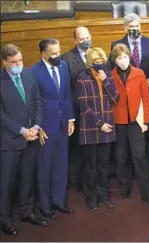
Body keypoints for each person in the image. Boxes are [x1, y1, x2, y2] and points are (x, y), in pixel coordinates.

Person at [0, 44, 46, 236]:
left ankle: (27, 212)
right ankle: (5, 219)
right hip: (10, 140)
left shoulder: (28, 75)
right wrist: (21, 131)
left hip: (32, 137)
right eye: (13, 62)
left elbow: (37, 102)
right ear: (4, 62)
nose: (18, 64)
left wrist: (35, 127)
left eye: (20, 60)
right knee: (7, 183)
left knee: (28, 178)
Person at [31, 38, 75, 219]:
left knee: (61, 164)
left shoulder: (64, 66)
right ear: (43, 53)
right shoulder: (33, 72)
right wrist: (38, 126)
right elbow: (34, 102)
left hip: (63, 123)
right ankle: (46, 204)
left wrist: (71, 117)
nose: (58, 56)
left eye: (59, 52)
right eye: (54, 53)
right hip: (46, 126)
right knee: (45, 165)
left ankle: (59, 201)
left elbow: (66, 95)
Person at [110, 12, 149, 170]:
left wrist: (148, 81)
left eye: (137, 26)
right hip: (124, 99)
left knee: (144, 135)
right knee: (123, 144)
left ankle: (147, 168)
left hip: (146, 92)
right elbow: (114, 69)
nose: (135, 29)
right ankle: (128, 171)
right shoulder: (117, 44)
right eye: (131, 27)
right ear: (125, 28)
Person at [110, 43, 149, 205]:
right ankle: (124, 186)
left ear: (129, 57)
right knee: (120, 156)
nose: (123, 60)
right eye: (119, 58)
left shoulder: (139, 73)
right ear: (114, 60)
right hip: (119, 121)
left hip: (137, 121)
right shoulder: (111, 75)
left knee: (139, 155)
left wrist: (145, 121)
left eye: (125, 57)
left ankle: (146, 192)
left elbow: (146, 98)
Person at [76, 47, 120, 210]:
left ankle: (103, 196)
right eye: (96, 62)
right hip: (91, 127)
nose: (100, 64)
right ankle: (91, 198)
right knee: (90, 166)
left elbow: (116, 98)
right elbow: (83, 106)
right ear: (90, 64)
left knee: (103, 165)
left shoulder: (107, 76)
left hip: (107, 127)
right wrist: (99, 123)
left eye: (102, 62)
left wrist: (106, 81)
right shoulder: (82, 78)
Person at [62, 26, 92, 189]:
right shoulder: (66, 58)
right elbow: (66, 88)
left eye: (87, 37)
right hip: (78, 110)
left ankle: (93, 180)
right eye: (82, 39)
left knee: (93, 149)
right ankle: (79, 182)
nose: (86, 41)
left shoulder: (96, 54)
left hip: (95, 110)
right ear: (75, 41)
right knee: (78, 149)